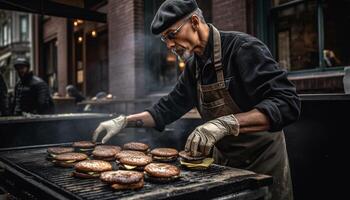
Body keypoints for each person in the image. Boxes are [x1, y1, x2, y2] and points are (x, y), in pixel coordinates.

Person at [92, 1, 300, 199]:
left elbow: (287, 102)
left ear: (194, 22)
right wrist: (124, 121)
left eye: (172, 35)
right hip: (225, 165)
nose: (170, 45)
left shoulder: (242, 48)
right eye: (165, 39)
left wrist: (226, 124)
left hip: (262, 164)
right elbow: (166, 109)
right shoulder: (195, 67)